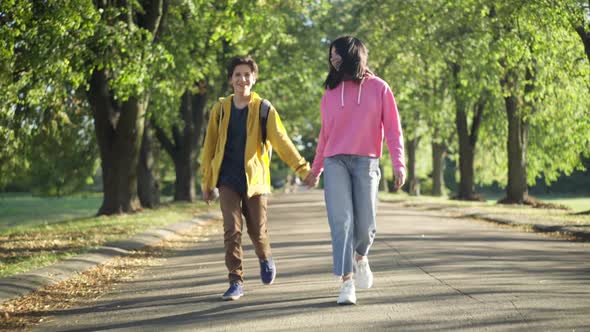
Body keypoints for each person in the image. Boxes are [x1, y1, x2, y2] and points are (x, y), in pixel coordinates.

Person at [303, 36, 406, 305]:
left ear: (352, 55)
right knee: (342, 221)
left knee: (366, 225)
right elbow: (325, 134)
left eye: (337, 54)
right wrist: (316, 169)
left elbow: (393, 130)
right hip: (335, 161)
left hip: (366, 161)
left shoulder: (379, 88)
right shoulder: (329, 92)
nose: (332, 59)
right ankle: (346, 282)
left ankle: (361, 256)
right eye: (331, 55)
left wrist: (399, 163)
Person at [201, 56, 311, 301]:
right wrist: (207, 182)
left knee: (257, 232)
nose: (242, 79)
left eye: (247, 74)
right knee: (231, 230)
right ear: (230, 79)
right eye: (237, 74)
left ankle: (265, 257)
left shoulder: (264, 109)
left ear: (254, 78)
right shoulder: (220, 110)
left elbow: (282, 141)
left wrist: (302, 169)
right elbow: (208, 147)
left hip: (255, 181)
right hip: (227, 179)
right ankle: (235, 280)